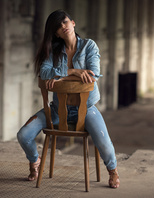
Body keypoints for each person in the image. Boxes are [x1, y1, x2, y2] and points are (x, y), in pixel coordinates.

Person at [17, 10, 120, 188]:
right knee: (23, 135)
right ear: (56, 33)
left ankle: (113, 171)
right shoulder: (54, 51)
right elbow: (43, 72)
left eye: (65, 22)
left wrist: (59, 78)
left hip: (86, 109)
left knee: (104, 142)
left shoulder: (89, 46)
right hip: (57, 110)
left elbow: (93, 75)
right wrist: (73, 72)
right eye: (58, 26)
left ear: (73, 23)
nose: (63, 27)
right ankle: (35, 161)